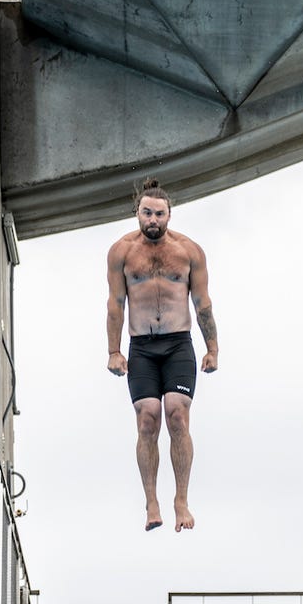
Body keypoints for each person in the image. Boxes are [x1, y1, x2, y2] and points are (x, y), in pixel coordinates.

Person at [106, 177, 218, 530]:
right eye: (146, 213)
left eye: (159, 214)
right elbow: (115, 305)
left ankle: (180, 500)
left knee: (177, 416)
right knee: (148, 420)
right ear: (136, 213)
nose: (152, 220)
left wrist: (212, 347)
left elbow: (202, 303)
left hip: (178, 344)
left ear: (169, 215)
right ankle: (151, 501)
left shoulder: (189, 251)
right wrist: (113, 350)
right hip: (141, 346)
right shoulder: (121, 251)